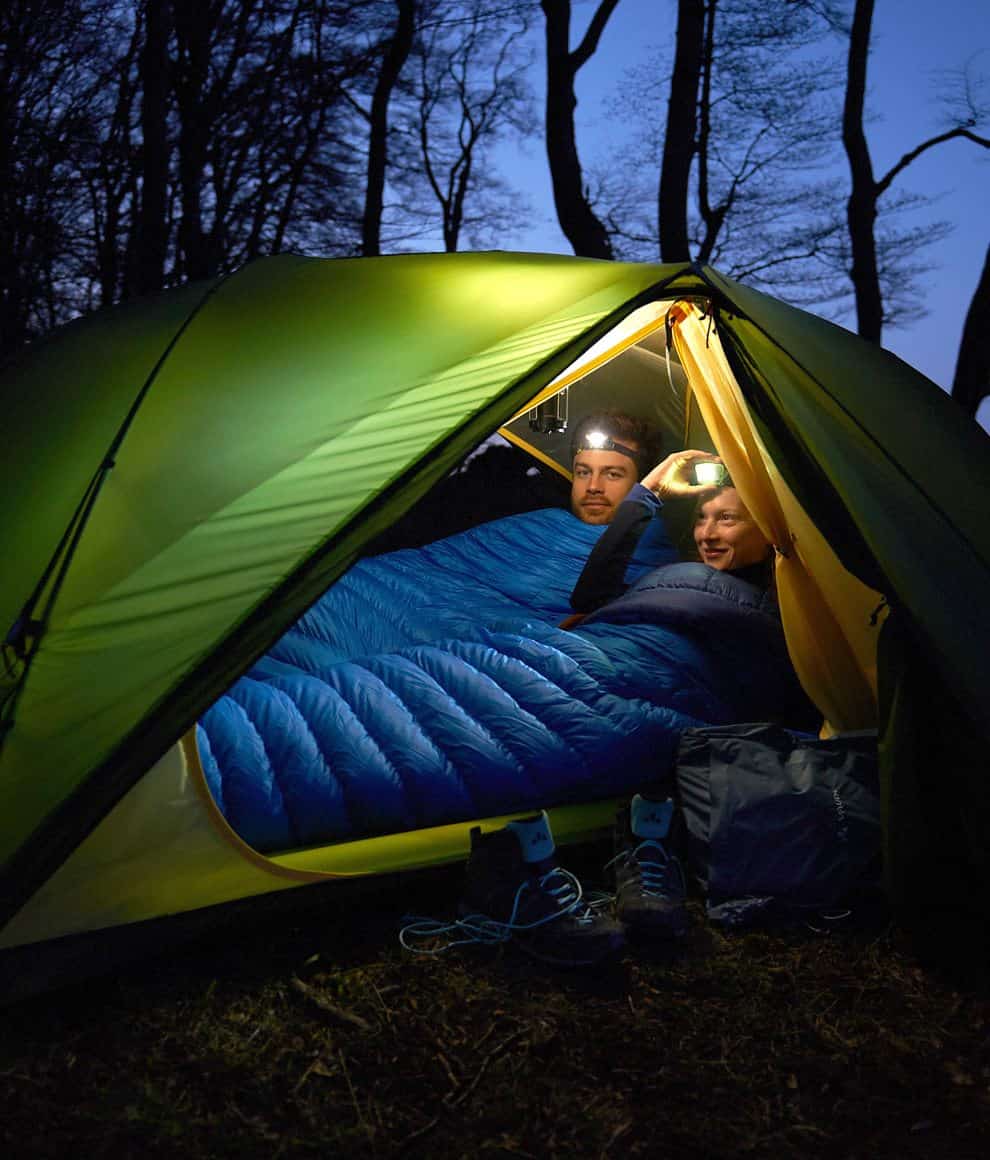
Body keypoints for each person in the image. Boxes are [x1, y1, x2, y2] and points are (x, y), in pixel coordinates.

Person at [456, 464, 787, 968]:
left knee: (502, 730)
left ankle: (638, 844)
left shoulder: (790, 605)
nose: (708, 534)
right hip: (597, 654)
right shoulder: (678, 576)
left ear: (771, 532)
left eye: (728, 520)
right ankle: (640, 838)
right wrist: (648, 491)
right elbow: (590, 595)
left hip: (666, 682)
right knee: (479, 687)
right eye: (702, 518)